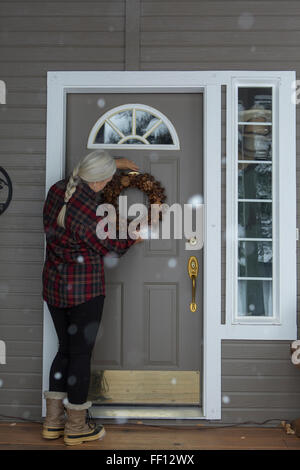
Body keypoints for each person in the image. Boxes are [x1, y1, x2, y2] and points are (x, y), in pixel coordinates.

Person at [42, 149, 143, 446]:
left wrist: (117, 164)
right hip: (83, 290)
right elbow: (111, 247)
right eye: (109, 179)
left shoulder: (58, 189)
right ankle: (75, 427)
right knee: (80, 356)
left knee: (65, 350)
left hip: (54, 286)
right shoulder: (86, 210)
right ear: (99, 183)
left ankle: (52, 422)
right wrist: (134, 235)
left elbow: (88, 180)